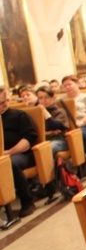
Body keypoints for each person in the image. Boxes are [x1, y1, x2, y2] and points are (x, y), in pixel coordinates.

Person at [0, 86, 38, 217]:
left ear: (8, 100)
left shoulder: (20, 115)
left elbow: (29, 138)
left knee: (10, 163)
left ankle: (27, 201)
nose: (1, 106)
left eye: (3, 103)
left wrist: (9, 152)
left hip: (22, 154)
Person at [61, 74, 86, 154]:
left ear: (77, 84)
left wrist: (81, 123)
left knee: (79, 134)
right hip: (67, 128)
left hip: (85, 126)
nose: (67, 87)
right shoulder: (60, 100)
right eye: (65, 86)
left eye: (69, 84)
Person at [36, 86, 70, 156]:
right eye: (41, 98)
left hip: (59, 140)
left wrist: (44, 111)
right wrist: (49, 133)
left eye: (47, 97)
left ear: (52, 97)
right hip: (43, 140)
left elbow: (54, 126)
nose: (44, 100)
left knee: (48, 148)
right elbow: (35, 130)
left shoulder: (60, 111)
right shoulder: (36, 113)